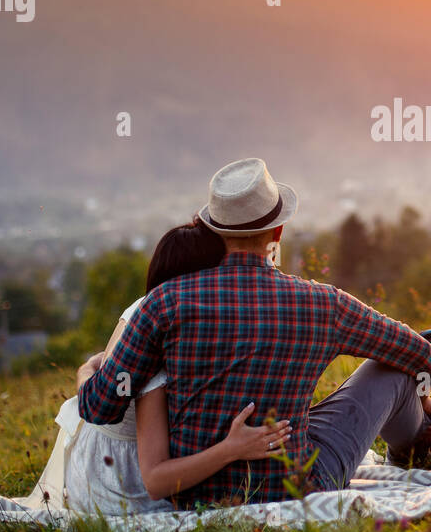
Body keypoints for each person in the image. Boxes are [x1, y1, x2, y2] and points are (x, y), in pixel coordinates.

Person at [77, 157, 431, 508]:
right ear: (278, 231)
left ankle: (416, 440)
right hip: (295, 485)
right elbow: (418, 353)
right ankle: (414, 451)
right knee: (393, 368)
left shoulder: (163, 303)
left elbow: (98, 406)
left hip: (194, 495)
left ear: (216, 231)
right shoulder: (323, 303)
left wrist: (87, 371)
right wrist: (422, 396)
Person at [33, 220, 291, 516]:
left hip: (128, 458)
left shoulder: (174, 315)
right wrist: (232, 448)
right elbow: (155, 478)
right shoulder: (155, 337)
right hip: (120, 481)